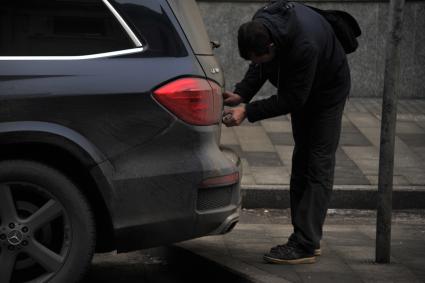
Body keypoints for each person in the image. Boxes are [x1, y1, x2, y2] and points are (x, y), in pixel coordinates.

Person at [222, 0, 351, 264]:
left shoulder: (305, 45)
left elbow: (293, 99)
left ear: (271, 46)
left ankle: (306, 243)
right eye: (251, 57)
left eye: (259, 56)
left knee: (318, 164)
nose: (256, 63)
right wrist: (241, 93)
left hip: (327, 92)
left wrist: (247, 111)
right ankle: (303, 237)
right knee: (301, 161)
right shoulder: (261, 24)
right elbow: (260, 65)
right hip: (303, 87)